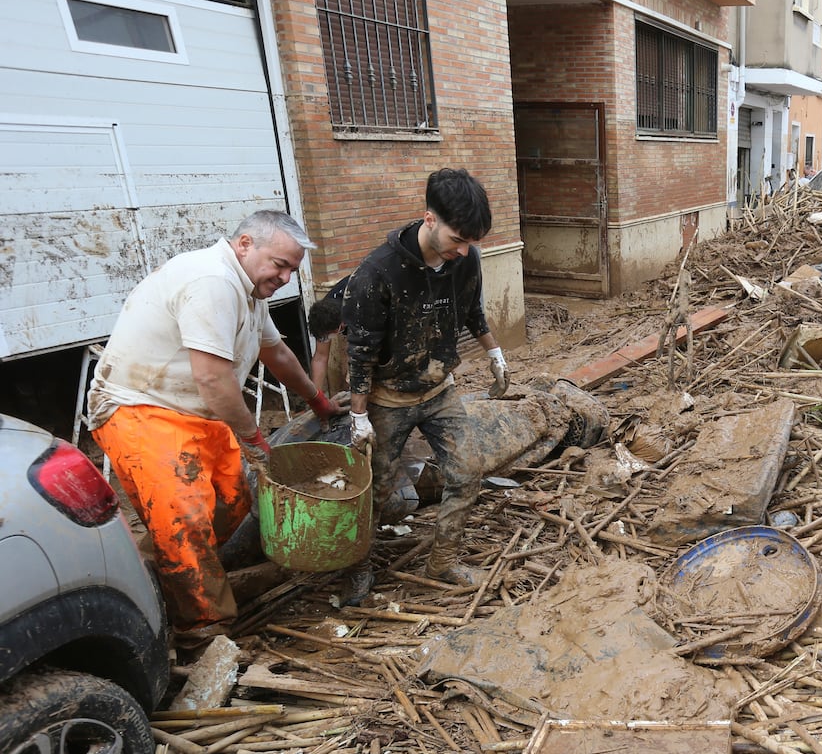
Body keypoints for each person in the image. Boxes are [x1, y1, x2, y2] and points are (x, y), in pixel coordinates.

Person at [87, 210, 340, 645]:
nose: (284, 277)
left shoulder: (249, 290)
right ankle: (203, 629)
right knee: (185, 518)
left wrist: (317, 402)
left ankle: (149, 575)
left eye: (291, 270)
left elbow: (275, 353)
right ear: (244, 244)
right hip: (141, 407)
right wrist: (256, 442)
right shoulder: (213, 281)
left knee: (232, 500)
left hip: (197, 413)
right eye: (279, 264)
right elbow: (212, 379)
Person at [341, 168, 508, 604]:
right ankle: (357, 572)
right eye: (458, 238)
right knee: (375, 493)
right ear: (429, 219)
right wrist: (358, 417)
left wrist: (494, 353)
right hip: (386, 398)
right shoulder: (376, 273)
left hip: (438, 390)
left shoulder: (464, 259)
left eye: (472, 241)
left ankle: (444, 560)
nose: (464, 249)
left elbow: (472, 311)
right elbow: (359, 353)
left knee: (467, 472)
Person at [307, 275, 350, 395]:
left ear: (341, 326)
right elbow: (320, 357)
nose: (327, 338)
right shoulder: (323, 314)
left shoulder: (356, 307)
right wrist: (315, 398)